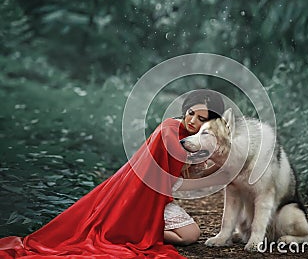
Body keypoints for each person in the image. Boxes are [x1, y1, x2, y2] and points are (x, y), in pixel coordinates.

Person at [0, 89, 229, 259]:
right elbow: (179, 174)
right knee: (189, 235)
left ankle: (133, 228)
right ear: (185, 110)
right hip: (134, 196)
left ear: (209, 123)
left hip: (155, 198)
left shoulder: (194, 140)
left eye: (202, 119)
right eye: (191, 113)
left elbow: (187, 174)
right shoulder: (169, 128)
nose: (192, 121)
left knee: (190, 235)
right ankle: (131, 228)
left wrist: (219, 164)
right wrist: (216, 157)